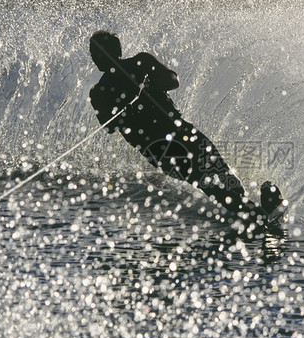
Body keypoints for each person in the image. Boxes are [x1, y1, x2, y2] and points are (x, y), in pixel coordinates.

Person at [87, 30, 283, 229]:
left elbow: (173, 81)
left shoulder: (141, 63)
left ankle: (253, 211)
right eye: (93, 53)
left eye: (98, 53)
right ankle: (257, 216)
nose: (95, 58)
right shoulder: (98, 92)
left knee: (223, 173)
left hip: (181, 129)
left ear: (115, 51)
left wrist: (150, 80)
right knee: (207, 182)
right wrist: (122, 112)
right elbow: (108, 126)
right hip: (157, 148)